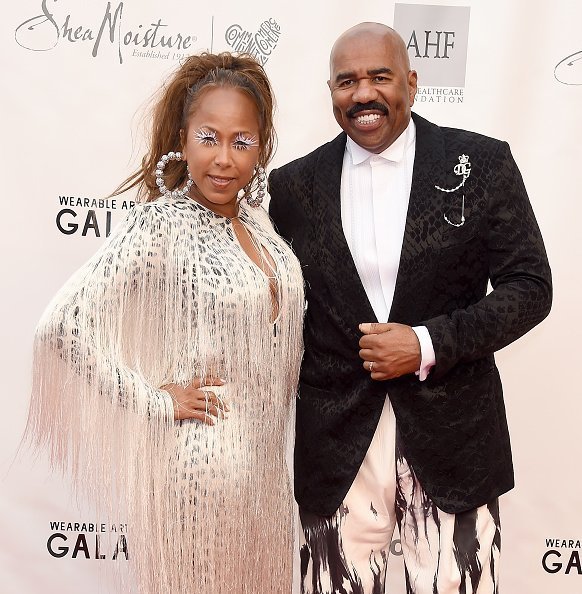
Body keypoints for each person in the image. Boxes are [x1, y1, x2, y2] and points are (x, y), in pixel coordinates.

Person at [268, 22, 552, 594]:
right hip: (337, 443)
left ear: (413, 83)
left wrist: (426, 343)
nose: (363, 93)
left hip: (456, 439)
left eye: (380, 76)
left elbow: (530, 287)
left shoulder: (483, 164)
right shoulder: (294, 187)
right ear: (330, 92)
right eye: (347, 81)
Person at [27, 52, 304, 593]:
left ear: (261, 147)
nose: (224, 159)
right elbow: (63, 326)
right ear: (183, 136)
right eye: (209, 137)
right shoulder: (162, 225)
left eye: (241, 142)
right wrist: (156, 399)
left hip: (268, 480)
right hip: (198, 474)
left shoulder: (260, 226)